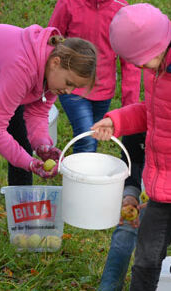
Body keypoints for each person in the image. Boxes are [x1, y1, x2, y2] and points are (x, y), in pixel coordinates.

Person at [0, 24, 97, 245]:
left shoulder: (52, 76)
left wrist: (42, 145)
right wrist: (30, 163)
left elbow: (38, 112)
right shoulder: (23, 67)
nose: (69, 91)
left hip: (0, 73)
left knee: (22, 145)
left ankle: (25, 230)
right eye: (69, 83)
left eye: (75, 88)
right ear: (55, 62)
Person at [91, 3, 171, 290]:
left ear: (159, 45)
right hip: (162, 189)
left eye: (141, 59)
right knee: (145, 262)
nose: (137, 67)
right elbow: (152, 112)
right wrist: (116, 122)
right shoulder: (157, 70)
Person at [48, 0, 141, 153]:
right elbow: (52, 38)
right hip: (72, 86)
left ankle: (82, 172)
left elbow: (129, 62)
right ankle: (80, 176)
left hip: (104, 90)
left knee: (92, 136)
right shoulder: (68, 3)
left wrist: (130, 105)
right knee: (86, 138)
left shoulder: (122, 9)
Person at [99, 133, 146, 291]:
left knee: (151, 251)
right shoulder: (138, 122)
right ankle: (109, 286)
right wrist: (130, 195)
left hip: (161, 195)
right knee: (126, 229)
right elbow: (131, 163)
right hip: (146, 191)